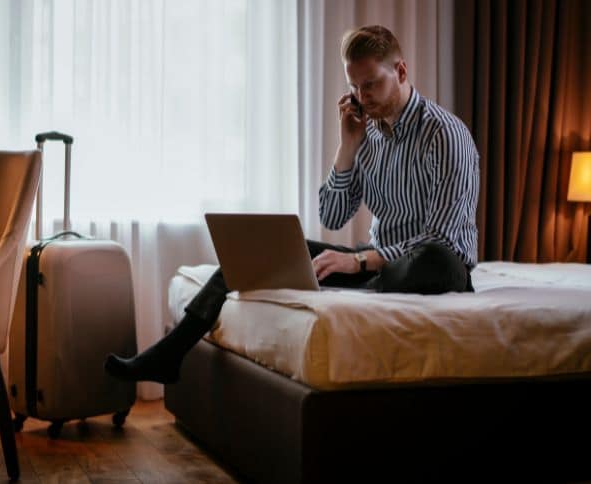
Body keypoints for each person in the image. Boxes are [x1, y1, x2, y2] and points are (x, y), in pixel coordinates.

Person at [104, 25, 479, 384]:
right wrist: (346, 147)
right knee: (256, 255)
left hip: (439, 265)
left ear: (400, 71)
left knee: (429, 259)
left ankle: (364, 281)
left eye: (371, 84)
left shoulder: (443, 134)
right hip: (380, 261)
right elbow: (332, 215)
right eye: (354, 87)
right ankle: (169, 354)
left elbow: (442, 238)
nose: (363, 97)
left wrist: (359, 262)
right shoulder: (368, 132)